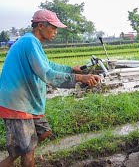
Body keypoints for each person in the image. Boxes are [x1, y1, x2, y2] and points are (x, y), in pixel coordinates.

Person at [0, 9, 101, 167]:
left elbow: (48, 65)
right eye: (53, 28)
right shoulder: (29, 42)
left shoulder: (33, 43)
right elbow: (47, 74)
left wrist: (70, 69)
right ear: (40, 25)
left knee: (43, 132)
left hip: (27, 102)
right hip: (17, 103)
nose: (55, 32)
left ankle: (11, 158)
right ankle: (19, 154)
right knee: (28, 152)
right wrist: (80, 78)